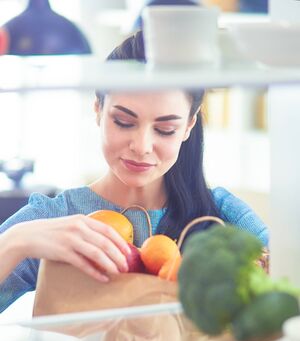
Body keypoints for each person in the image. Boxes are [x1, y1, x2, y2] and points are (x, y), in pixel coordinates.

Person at [0, 30, 268, 313]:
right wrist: (15, 241)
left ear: (189, 126)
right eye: (124, 122)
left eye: (165, 129)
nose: (141, 147)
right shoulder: (56, 218)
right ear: (97, 110)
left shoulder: (223, 215)